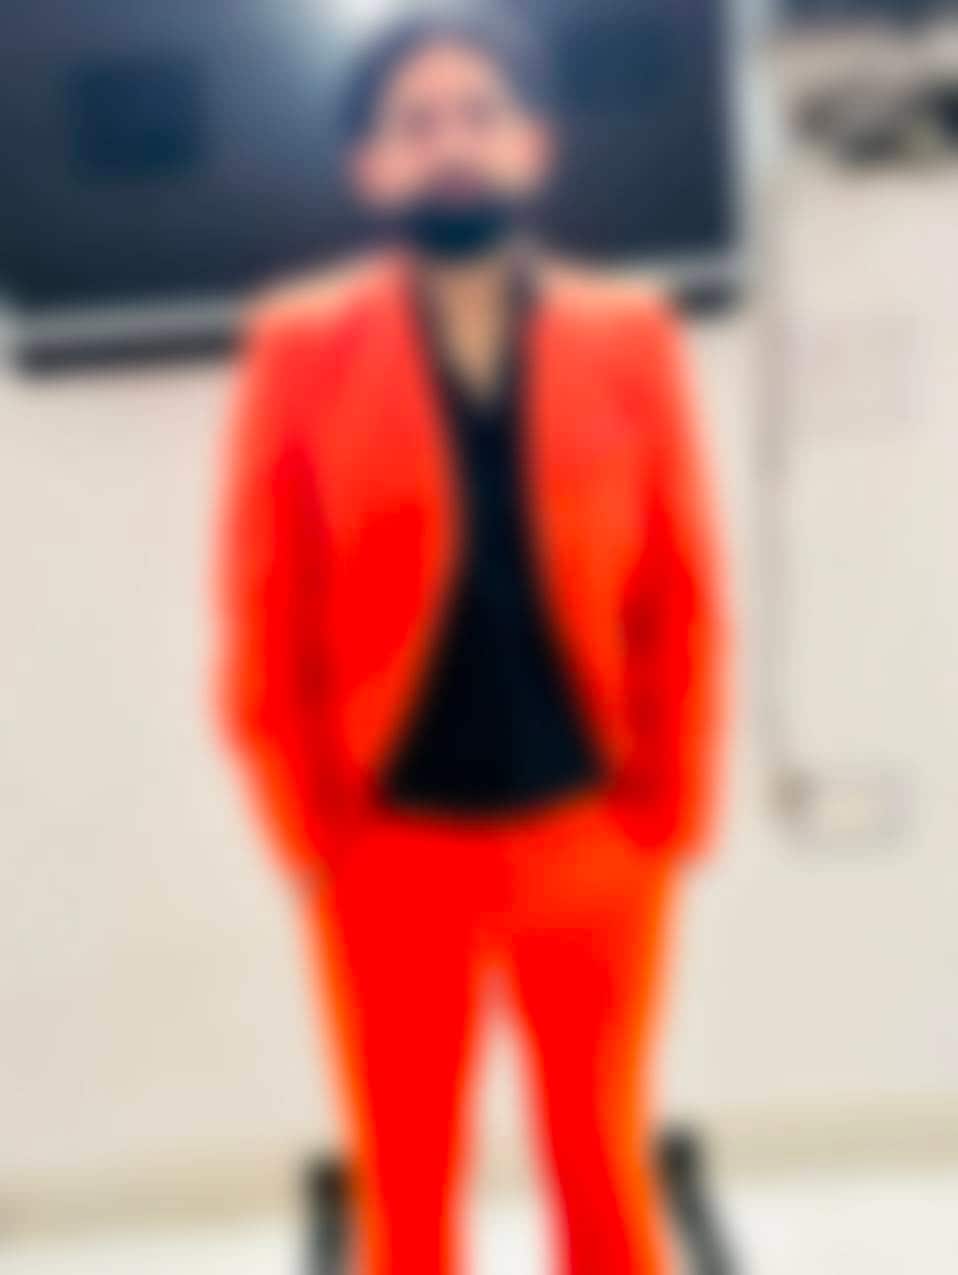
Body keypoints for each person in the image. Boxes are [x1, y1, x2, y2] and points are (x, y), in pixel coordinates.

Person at [216, 9, 726, 1275]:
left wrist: (668, 812)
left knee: (602, 1169)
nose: (450, 143)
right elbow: (262, 605)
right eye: (415, 122)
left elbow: (679, 589)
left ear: (532, 143)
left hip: (592, 834)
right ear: (370, 165)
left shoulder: (631, 333)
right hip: (389, 846)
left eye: (479, 114)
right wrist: (311, 833)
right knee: (406, 1185)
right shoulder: (299, 346)